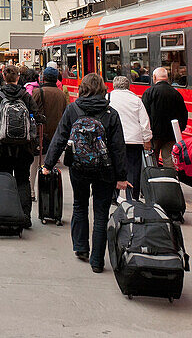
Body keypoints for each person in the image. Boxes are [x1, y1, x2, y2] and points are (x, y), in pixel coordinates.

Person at [41, 74, 128, 273]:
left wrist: (48, 164)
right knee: (101, 214)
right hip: (105, 170)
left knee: (80, 205)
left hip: (78, 167)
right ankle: (97, 261)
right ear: (102, 90)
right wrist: (121, 177)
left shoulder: (73, 109)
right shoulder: (110, 113)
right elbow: (118, 148)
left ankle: (80, 247)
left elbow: (60, 137)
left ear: (82, 89)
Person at [0, 64, 39, 225]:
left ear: (4, 78)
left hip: (1, 146)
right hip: (24, 146)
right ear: (18, 78)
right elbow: (37, 117)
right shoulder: (25, 96)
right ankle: (25, 216)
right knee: (23, 180)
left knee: (4, 179)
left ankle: (6, 214)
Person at [108, 75, 152, 200]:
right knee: (133, 171)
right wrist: (146, 139)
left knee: (114, 167)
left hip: (114, 141)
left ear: (114, 85)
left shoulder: (108, 98)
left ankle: (113, 196)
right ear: (128, 86)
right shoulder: (136, 100)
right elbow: (144, 122)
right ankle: (132, 197)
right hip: (134, 140)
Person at [141, 67, 188, 169]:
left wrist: (146, 135)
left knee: (153, 160)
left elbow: (144, 115)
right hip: (170, 135)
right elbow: (184, 114)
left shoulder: (149, 92)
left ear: (154, 77)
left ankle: (155, 181)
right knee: (169, 161)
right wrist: (179, 129)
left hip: (154, 135)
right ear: (167, 78)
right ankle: (170, 180)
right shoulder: (176, 93)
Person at [31, 66, 67, 187]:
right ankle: (47, 189)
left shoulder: (37, 92)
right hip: (55, 134)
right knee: (48, 164)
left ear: (43, 78)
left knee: (35, 163)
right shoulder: (61, 94)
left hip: (40, 134)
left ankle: (32, 190)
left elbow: (31, 110)